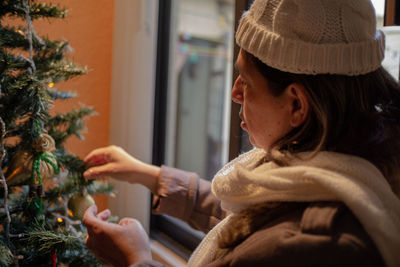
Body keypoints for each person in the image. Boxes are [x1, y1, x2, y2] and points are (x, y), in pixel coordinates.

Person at [82, 0, 400, 266]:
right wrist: (147, 175)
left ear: (296, 105)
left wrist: (134, 258)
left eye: (245, 81)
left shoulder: (314, 245)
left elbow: (259, 237)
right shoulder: (341, 173)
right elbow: (246, 216)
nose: (235, 92)